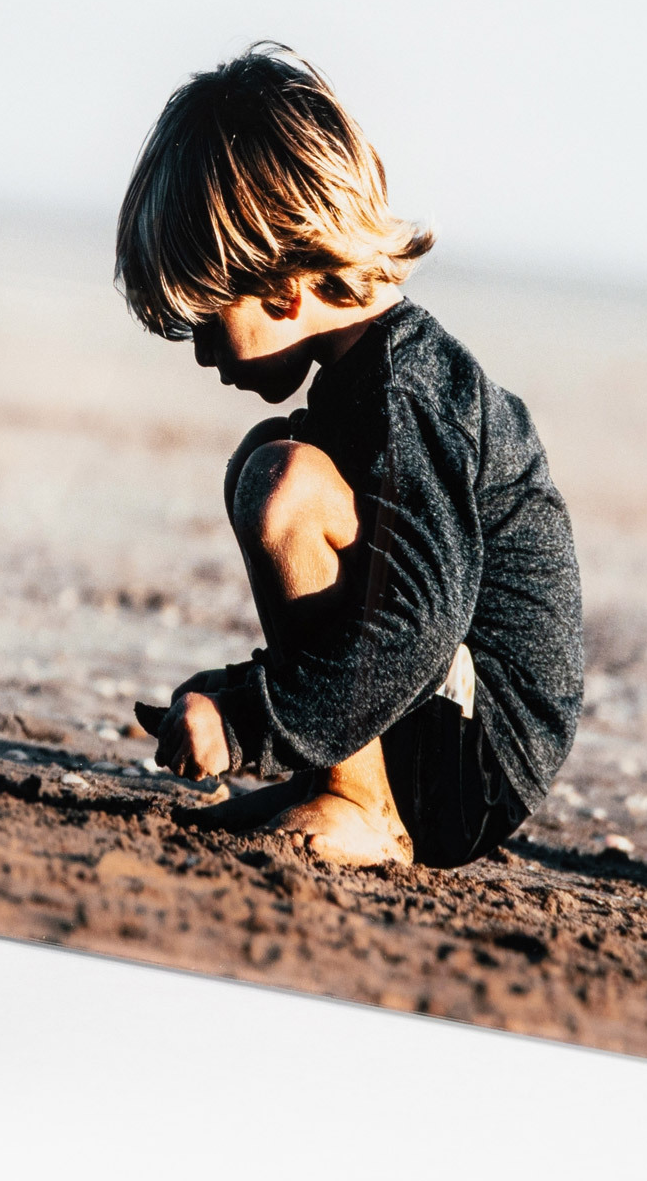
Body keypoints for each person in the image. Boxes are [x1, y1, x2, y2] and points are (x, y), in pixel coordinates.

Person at [115, 47, 583, 869]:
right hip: (435, 710)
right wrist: (240, 692)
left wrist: (250, 722)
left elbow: (417, 620)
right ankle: (345, 778)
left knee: (284, 483)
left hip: (477, 759)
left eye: (204, 320)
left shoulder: (406, 394)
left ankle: (364, 804)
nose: (199, 355)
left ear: (284, 290)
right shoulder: (365, 377)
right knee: (273, 457)